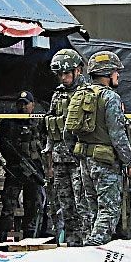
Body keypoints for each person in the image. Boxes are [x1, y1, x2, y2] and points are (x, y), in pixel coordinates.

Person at [68, 51, 131, 246]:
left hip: (85, 161)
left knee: (93, 209)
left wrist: (79, 155)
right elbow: (118, 135)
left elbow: (68, 132)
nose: (118, 76)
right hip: (105, 162)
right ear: (107, 74)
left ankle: (91, 250)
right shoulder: (110, 98)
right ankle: (93, 247)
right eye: (116, 72)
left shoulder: (80, 95)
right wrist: (130, 162)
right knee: (109, 211)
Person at [45, 49, 90, 247]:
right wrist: (49, 161)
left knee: (84, 206)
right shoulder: (58, 95)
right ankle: (72, 245)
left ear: (78, 70)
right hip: (60, 159)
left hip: (80, 159)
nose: (63, 78)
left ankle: (89, 245)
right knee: (65, 206)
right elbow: (50, 127)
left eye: (67, 73)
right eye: (60, 75)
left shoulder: (88, 93)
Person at [0, 91, 45, 244]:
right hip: (15, 170)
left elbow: (44, 143)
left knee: (33, 206)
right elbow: (3, 143)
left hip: (34, 170)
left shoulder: (38, 121)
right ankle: (2, 239)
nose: (23, 107)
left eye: (26, 104)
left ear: (33, 105)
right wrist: (14, 160)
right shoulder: (9, 121)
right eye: (20, 103)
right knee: (9, 206)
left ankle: (30, 239)